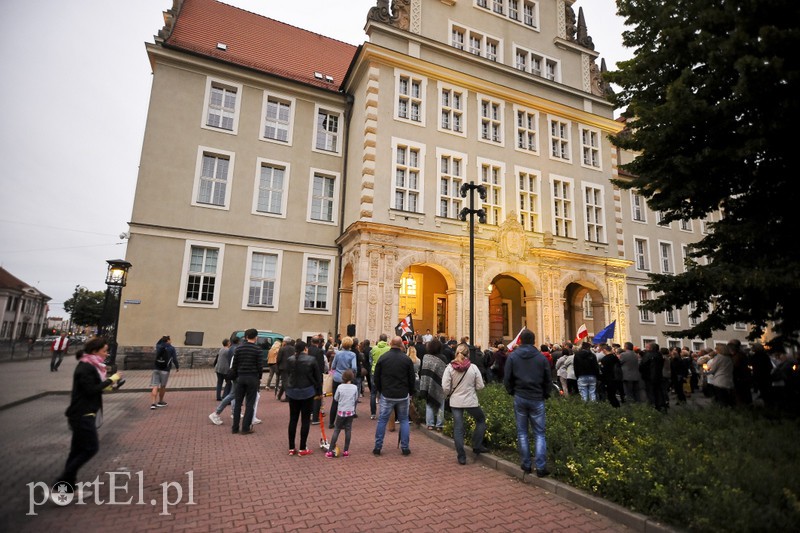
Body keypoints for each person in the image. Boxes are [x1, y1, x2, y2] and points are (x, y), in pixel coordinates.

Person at [57, 337, 122, 495]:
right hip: (82, 414)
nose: (107, 354)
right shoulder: (86, 367)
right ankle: (61, 483)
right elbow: (90, 390)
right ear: (94, 351)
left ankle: (67, 487)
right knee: (90, 448)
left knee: (77, 450)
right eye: (104, 351)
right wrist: (111, 379)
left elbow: (93, 388)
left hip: (83, 413)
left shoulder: (90, 366)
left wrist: (110, 387)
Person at [503, 329, 551, 477]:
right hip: (537, 398)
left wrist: (512, 391)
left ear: (520, 341)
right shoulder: (541, 357)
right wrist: (545, 394)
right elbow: (547, 379)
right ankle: (541, 468)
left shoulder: (513, 356)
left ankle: (526, 464)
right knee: (540, 434)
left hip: (520, 397)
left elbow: (507, 378)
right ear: (534, 341)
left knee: (522, 432)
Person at [442, 343, 487, 465]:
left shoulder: (450, 368)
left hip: (455, 401)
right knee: (481, 420)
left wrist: (450, 393)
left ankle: (461, 456)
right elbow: (480, 386)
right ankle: (477, 445)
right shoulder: (473, 368)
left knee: (458, 427)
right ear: (468, 354)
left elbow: (445, 387)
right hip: (471, 401)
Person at [373, 336, 416, 456]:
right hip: (402, 394)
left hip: (387, 394)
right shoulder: (406, 360)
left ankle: (378, 447)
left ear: (391, 343)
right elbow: (411, 379)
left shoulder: (383, 358)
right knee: (404, 420)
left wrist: (381, 390)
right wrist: (410, 392)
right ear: (401, 344)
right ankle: (405, 447)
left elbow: (376, 377)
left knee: (382, 420)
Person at [286, 340, 320, 455]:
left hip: (293, 391)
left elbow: (287, 375)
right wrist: (319, 392)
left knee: (293, 419)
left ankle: (291, 447)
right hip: (307, 391)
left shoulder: (290, 359)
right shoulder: (311, 360)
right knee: (305, 420)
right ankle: (302, 447)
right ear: (305, 348)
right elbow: (317, 377)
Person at [230, 328, 263, 434]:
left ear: (245, 337)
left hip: (240, 377)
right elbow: (260, 366)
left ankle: (235, 428)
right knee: (250, 404)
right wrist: (259, 378)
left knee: (238, 403)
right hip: (252, 378)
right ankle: (245, 428)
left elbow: (234, 365)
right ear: (256, 337)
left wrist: (236, 376)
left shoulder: (239, 349)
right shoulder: (258, 349)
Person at [326, 369, 358, 458]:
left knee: (337, 429)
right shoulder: (354, 387)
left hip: (341, 411)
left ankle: (330, 450)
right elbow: (355, 399)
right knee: (348, 430)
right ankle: (346, 451)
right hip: (350, 411)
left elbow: (336, 398)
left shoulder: (340, 387)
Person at [419, 338, 448, 431]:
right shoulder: (443, 358)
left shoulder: (426, 357)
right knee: (440, 405)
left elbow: (423, 371)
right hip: (440, 384)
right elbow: (445, 372)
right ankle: (439, 425)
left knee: (429, 404)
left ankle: (430, 424)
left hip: (428, 384)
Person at [329, 336, 358, 428]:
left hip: (337, 378)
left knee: (335, 400)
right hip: (347, 379)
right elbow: (354, 368)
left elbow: (333, 366)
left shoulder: (338, 354)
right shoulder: (352, 355)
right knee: (347, 401)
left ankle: (331, 422)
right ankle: (343, 422)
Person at [150, 335, 179, 410]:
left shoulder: (158, 346)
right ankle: (160, 401)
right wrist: (177, 367)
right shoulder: (171, 348)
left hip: (156, 368)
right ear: (168, 340)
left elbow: (158, 342)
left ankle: (153, 403)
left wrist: (163, 338)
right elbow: (174, 359)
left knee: (155, 386)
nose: (171, 341)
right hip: (165, 369)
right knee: (163, 386)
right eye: (170, 340)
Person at [369, 334, 391, 419]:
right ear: (386, 340)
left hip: (374, 372)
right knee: (383, 393)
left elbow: (370, 361)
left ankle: (373, 413)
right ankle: (383, 412)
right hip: (385, 372)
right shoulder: (389, 349)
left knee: (373, 393)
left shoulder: (373, 349)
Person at [308, 336, 326, 425]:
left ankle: (309, 414)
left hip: (307, 376)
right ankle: (315, 418)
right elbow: (321, 366)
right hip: (316, 376)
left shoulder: (307, 350)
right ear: (318, 342)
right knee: (317, 397)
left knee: (309, 397)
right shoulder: (319, 352)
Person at [276, 337, 295, 401]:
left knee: (285, 382)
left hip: (283, 367)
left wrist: (277, 366)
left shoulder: (282, 349)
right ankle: (279, 395)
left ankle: (288, 396)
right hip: (291, 367)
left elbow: (278, 359)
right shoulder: (293, 349)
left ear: (285, 342)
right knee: (286, 381)